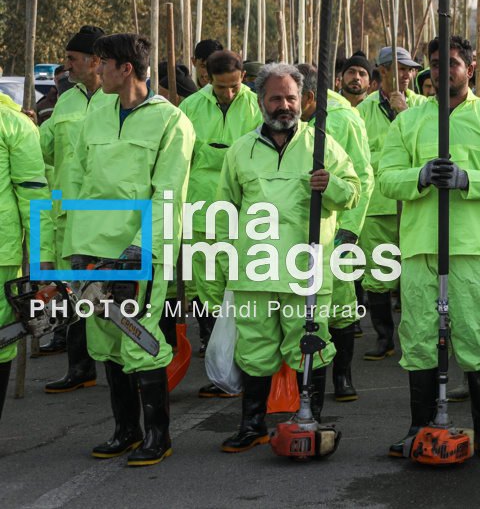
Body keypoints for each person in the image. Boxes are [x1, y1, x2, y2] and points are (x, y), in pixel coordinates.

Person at [380, 35, 480, 460]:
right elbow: (385, 177)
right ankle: (419, 426)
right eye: (436, 64)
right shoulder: (409, 122)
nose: (443, 71)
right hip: (422, 245)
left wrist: (467, 180)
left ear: (471, 69)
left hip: (473, 246)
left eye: (453, 63)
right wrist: (419, 176)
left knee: (478, 336)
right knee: (420, 337)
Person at [211, 64, 360, 452]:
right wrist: (228, 264)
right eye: (276, 98)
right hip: (254, 273)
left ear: (303, 100)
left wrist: (331, 185)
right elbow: (224, 209)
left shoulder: (322, 145)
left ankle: (309, 418)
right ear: (261, 101)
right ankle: (252, 424)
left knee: (309, 346)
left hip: (305, 272)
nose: (284, 105)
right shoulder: (241, 150)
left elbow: (353, 193)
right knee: (255, 351)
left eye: (291, 98)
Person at [63, 33, 195, 465]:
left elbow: (168, 192)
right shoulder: (96, 117)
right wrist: (72, 250)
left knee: (138, 336)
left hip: (139, 252)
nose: (95, 70)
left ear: (127, 69)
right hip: (92, 248)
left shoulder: (171, 122)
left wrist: (142, 248)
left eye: (103, 63)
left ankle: (159, 436)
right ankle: (125, 430)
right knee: (105, 339)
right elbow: (78, 185)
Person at [178, 50, 261, 374]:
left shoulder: (256, 105)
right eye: (222, 87)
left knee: (245, 285)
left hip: (243, 214)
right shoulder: (191, 107)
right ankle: (218, 359)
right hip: (201, 213)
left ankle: (250, 357)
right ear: (207, 79)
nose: (229, 93)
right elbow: (180, 159)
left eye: (235, 86)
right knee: (208, 288)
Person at [37, 25, 109, 388]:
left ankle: (120, 368)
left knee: (106, 296)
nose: (65, 66)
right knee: (71, 293)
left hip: (105, 219)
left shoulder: (117, 102)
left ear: (96, 61)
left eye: (71, 59)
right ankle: (80, 368)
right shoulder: (66, 99)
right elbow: (45, 153)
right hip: (66, 215)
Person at [297, 63, 373, 404]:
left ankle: (342, 375)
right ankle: (306, 377)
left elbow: (364, 176)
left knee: (341, 306)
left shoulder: (342, 118)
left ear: (310, 97)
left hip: (336, 230)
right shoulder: (289, 123)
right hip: (296, 229)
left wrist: (350, 230)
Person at [356, 46, 427, 361]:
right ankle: (384, 337)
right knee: (378, 272)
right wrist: (387, 165)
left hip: (415, 201)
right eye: (401, 69)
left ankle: (423, 336)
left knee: (419, 271)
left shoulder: (425, 106)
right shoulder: (362, 110)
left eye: (410, 69)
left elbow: (427, 150)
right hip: (378, 203)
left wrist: (406, 115)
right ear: (382, 71)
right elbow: (358, 157)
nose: (407, 75)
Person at [0, 82, 50, 422]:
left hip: (3, 254)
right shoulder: (15, 123)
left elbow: (33, 195)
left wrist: (42, 261)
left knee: (1, 343)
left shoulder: (13, 124)